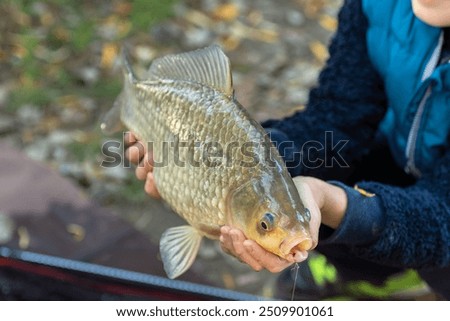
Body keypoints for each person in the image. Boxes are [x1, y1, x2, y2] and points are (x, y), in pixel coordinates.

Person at [125, 0, 450, 299]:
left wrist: (337, 204)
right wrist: (249, 153)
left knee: (409, 237)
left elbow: (443, 216)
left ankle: (400, 279)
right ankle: (364, 274)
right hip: (399, 149)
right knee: (315, 165)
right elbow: (337, 116)